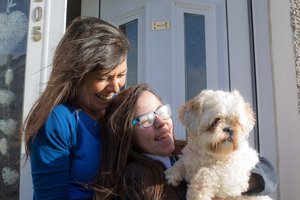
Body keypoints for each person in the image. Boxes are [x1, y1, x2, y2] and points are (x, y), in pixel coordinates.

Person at [93, 83, 277, 200]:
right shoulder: (137, 177)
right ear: (128, 136)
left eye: (161, 111)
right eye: (145, 120)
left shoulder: (186, 148)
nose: (161, 122)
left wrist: (237, 182)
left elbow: (268, 173)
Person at [22, 16, 129, 200]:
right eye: (103, 78)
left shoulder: (121, 108)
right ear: (77, 73)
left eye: (122, 74)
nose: (116, 87)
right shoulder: (58, 122)